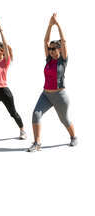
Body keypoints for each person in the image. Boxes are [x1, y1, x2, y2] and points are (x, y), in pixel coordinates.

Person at [28, 13, 77, 152]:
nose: (50, 50)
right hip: (46, 94)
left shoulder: (63, 60)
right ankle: (37, 143)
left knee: (64, 120)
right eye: (49, 49)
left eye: (53, 49)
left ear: (59, 49)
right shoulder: (49, 59)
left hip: (60, 96)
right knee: (36, 114)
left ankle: (73, 137)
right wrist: (49, 25)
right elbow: (45, 41)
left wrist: (57, 24)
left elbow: (64, 40)